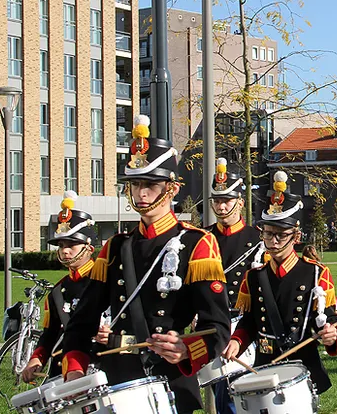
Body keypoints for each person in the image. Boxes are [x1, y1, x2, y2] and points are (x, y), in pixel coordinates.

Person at [61, 115, 231, 414]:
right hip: (114, 378)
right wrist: (75, 369)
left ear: (172, 189)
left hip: (169, 379)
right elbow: (81, 321)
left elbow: (216, 325)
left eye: (151, 184)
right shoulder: (116, 247)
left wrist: (186, 349)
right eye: (136, 183)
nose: (141, 193)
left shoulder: (197, 244)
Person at [223, 171, 337, 393]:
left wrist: (331, 333)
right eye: (268, 234)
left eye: (280, 235)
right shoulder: (254, 276)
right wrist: (237, 341)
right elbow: (250, 321)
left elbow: (330, 317)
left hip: (302, 367)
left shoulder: (316, 273)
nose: (273, 241)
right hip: (265, 365)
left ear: (296, 237)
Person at [22, 192, 100, 382]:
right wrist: (36, 358)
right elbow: (51, 333)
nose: (65, 250)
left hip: (96, 368)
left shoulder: (103, 281)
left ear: (89, 248)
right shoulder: (58, 291)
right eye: (61, 245)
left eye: (72, 244)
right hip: (62, 372)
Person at [206, 157, 264, 414]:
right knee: (223, 396)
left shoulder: (257, 239)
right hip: (212, 325)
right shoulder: (204, 238)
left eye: (226, 200)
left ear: (240, 202)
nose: (220, 205)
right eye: (217, 200)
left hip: (245, 323)